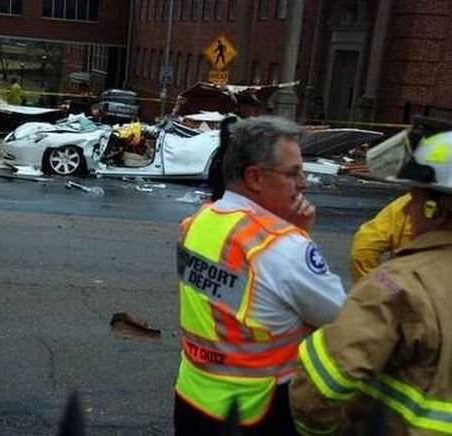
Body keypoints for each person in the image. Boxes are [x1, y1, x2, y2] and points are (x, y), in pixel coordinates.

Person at [174, 116, 346, 435]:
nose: (304, 182)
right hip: (257, 409)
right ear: (255, 177)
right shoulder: (283, 246)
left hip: (193, 398)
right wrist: (298, 235)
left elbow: (231, 305)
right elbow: (341, 317)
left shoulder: (197, 222)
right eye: (292, 172)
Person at [289, 127, 452, 435]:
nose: (406, 207)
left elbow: (317, 392)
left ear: (435, 209)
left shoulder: (398, 288)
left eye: (413, 197)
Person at [350, 192, 412, 282]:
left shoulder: (406, 203)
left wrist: (387, 288)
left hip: (404, 287)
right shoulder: (409, 203)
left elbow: (362, 250)